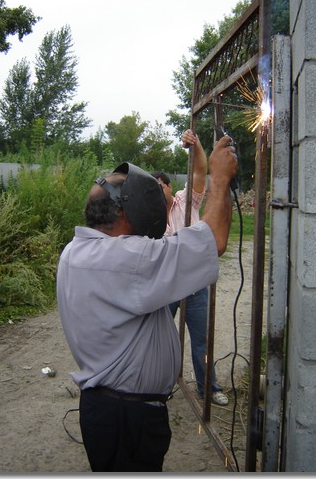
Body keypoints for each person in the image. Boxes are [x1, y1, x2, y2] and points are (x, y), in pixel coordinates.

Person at [56, 135, 238, 472]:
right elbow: (214, 241)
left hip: (105, 409)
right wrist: (221, 178)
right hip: (129, 418)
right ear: (129, 210)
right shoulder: (129, 258)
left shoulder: (74, 251)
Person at [152, 129, 229, 406]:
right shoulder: (147, 217)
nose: (157, 191)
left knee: (201, 339)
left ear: (169, 186)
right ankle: (156, 388)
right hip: (167, 286)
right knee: (157, 338)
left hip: (194, 285)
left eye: (159, 185)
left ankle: (208, 387)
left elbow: (199, 171)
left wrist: (194, 146)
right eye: (152, 188)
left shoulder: (186, 201)